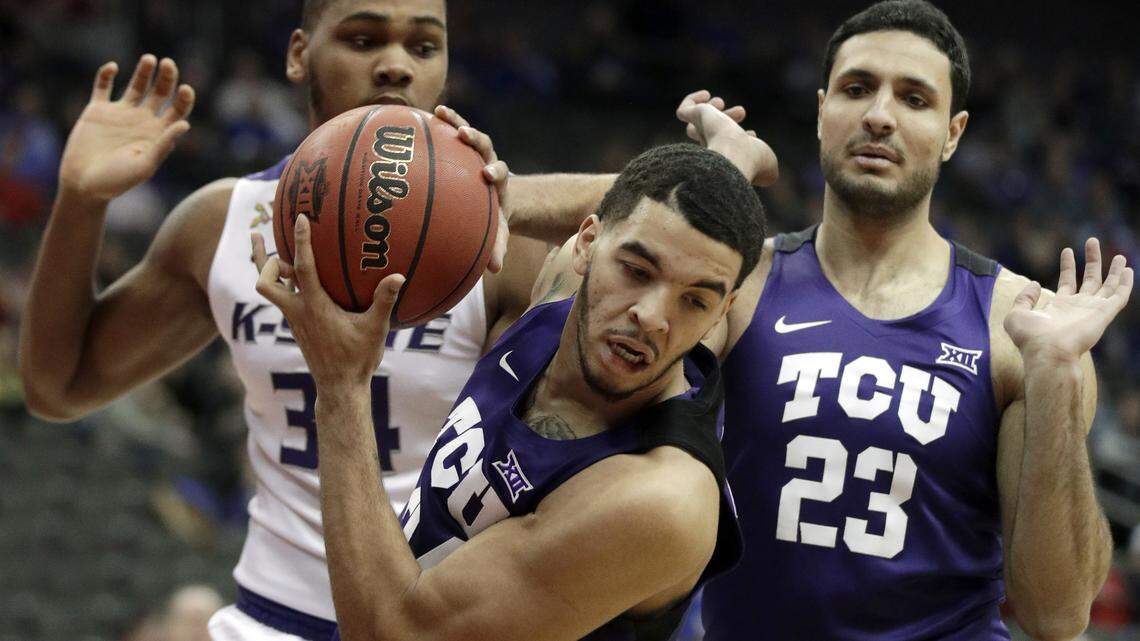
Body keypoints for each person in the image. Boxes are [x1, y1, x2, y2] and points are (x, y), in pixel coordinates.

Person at [17, 1, 621, 639]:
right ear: (300, 54)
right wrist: (81, 202)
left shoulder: (501, 245)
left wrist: (516, 197)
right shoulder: (220, 223)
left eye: (423, 47)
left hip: (428, 619)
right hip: (265, 619)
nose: (394, 65)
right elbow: (59, 385)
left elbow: (664, 223)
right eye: (363, 40)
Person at [672, 1, 1135, 639]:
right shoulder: (742, 284)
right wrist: (718, 171)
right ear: (820, 112)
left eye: (915, 99)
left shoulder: (1022, 324)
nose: (880, 116)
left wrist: (1055, 374)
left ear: (953, 132)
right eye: (857, 89)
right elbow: (603, 312)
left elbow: (1057, 615)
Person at [250, 143, 766, 641]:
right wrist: (482, 193)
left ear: (723, 309)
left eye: (695, 301)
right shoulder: (565, 288)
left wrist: (340, 386)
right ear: (585, 244)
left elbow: (394, 634)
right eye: (636, 271)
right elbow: (645, 210)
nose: (652, 317)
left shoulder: (658, 500)